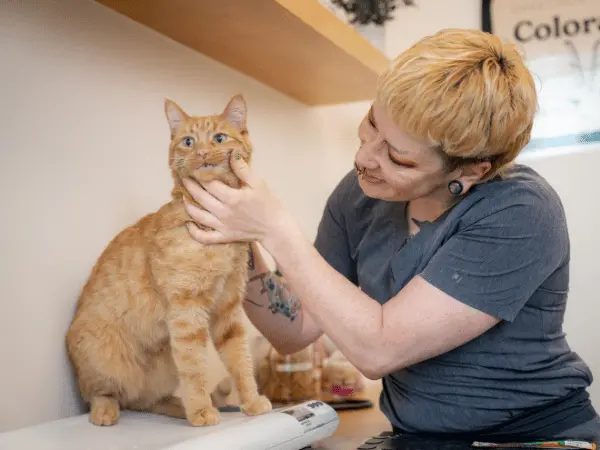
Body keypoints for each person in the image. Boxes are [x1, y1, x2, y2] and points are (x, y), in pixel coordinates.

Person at [181, 28, 600, 442]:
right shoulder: (360, 194)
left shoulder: (520, 210)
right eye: (371, 123)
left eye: (398, 156)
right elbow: (293, 330)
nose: (364, 157)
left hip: (531, 433)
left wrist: (275, 228)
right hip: (415, 435)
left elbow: (379, 349)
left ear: (471, 171)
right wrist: (241, 234)